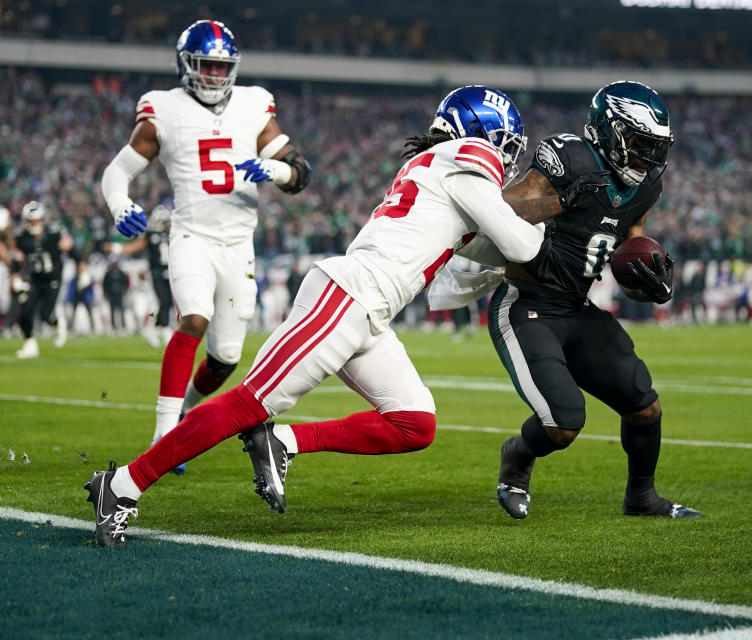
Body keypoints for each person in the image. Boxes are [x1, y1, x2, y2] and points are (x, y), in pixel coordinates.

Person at [84, 85, 556, 548]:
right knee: (248, 404)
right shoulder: (468, 155)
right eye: (506, 143)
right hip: (350, 295)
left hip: (369, 308)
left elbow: (484, 257)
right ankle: (122, 484)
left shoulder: (440, 170)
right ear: (481, 133)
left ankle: (282, 442)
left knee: (414, 422)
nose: (506, 155)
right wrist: (559, 213)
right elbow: (521, 245)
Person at [99, 20, 312, 472]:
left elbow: (299, 172)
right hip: (191, 235)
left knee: (226, 357)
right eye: (207, 66)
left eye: (221, 66)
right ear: (186, 65)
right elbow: (117, 172)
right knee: (194, 317)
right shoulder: (164, 109)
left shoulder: (255, 105)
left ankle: (185, 412)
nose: (215, 75)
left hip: (239, 243)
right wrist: (119, 205)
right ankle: (163, 436)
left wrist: (276, 172)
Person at [487, 81, 702, 520]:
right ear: (610, 132)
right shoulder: (571, 161)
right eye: (641, 145)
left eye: (655, 148)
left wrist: (648, 281)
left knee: (645, 405)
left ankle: (641, 497)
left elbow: (629, 246)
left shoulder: (643, 189)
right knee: (563, 423)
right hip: (527, 305)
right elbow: (498, 212)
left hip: (577, 307)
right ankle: (517, 459)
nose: (649, 159)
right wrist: (558, 196)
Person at [12, 201, 74, 359]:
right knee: (25, 312)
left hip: (52, 278)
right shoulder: (22, 238)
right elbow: (16, 259)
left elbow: (71, 248)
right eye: (31, 220)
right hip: (34, 279)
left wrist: (81, 267)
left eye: (37, 219)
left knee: (45, 315)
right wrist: (16, 277)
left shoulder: (54, 233)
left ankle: (58, 323)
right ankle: (30, 345)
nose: (34, 223)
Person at [108, 205, 175, 347]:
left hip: (169, 272)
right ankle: (154, 329)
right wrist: (116, 248)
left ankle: (161, 328)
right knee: (159, 302)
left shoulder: (172, 234)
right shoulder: (151, 235)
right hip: (156, 272)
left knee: (168, 302)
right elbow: (135, 247)